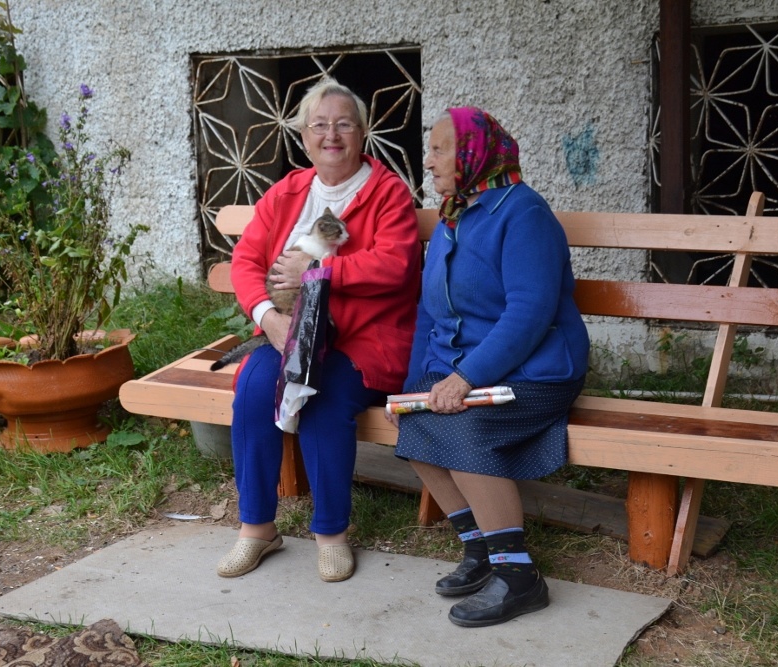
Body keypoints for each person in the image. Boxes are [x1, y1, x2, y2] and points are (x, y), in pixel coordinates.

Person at [392, 107, 589, 626]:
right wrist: (413, 389)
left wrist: (466, 378)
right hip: (465, 367)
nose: (427, 161)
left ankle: (520, 575)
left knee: (462, 426)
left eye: (439, 149)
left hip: (536, 370)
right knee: (414, 421)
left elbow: (530, 311)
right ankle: (480, 549)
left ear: (474, 154)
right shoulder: (454, 217)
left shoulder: (523, 214)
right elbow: (430, 315)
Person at [218, 77, 420, 582]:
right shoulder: (286, 192)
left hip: (365, 339)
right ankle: (257, 528)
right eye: (320, 125)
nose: (332, 135)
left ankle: (330, 534)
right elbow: (245, 262)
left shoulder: (386, 192)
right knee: (254, 385)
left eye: (344, 124)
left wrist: (321, 272)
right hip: (290, 332)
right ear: (304, 137)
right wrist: (271, 318)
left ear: (362, 133)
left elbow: (395, 265)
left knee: (325, 397)